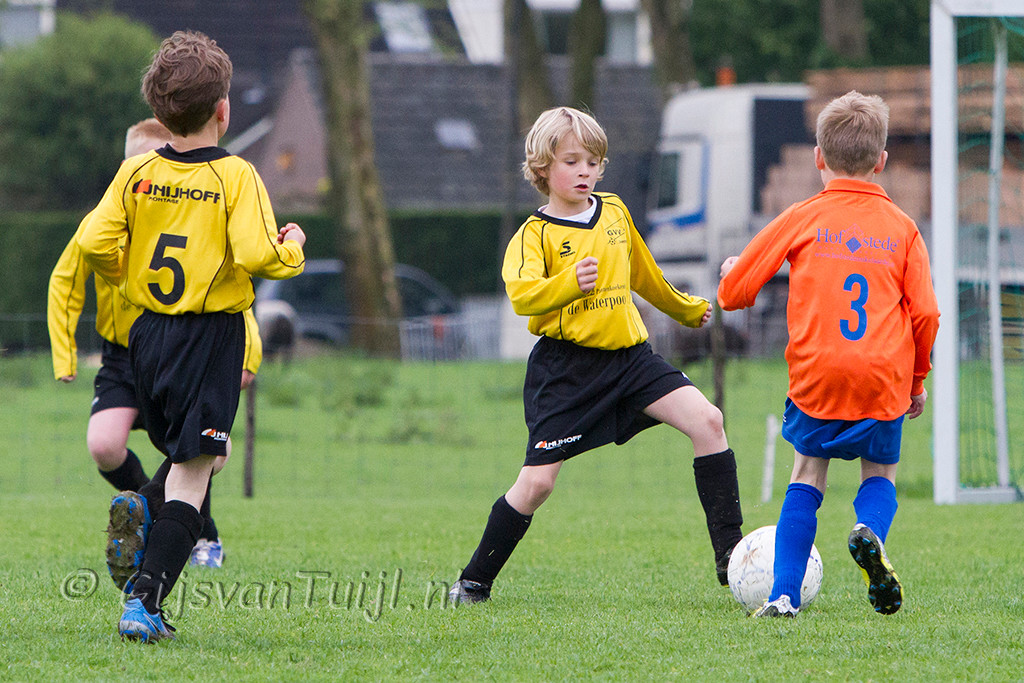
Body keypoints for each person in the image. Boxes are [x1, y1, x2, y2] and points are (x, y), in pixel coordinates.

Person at [448, 107, 744, 605]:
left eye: (593, 161)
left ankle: (732, 557)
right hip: (567, 372)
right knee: (537, 485)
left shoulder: (614, 212)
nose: (584, 171)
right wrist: (569, 282)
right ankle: (474, 581)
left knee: (708, 421)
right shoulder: (533, 235)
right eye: (572, 162)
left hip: (631, 361)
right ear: (543, 168)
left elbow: (643, 273)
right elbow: (523, 296)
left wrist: (685, 309)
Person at [78, 30, 306, 642]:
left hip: (146, 335)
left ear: (159, 110)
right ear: (223, 110)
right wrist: (293, 248)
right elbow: (257, 254)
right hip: (208, 337)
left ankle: (143, 507)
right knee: (196, 469)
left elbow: (94, 241)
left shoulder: (136, 172)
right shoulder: (236, 175)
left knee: (192, 460)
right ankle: (144, 602)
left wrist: (126, 275)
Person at [718, 91, 940, 618]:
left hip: (818, 375)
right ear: (881, 161)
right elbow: (927, 314)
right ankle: (870, 532)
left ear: (819, 156)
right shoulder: (903, 229)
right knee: (879, 474)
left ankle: (783, 596)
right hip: (881, 376)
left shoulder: (803, 216)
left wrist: (731, 273)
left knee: (806, 476)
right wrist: (915, 381)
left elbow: (734, 294)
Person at [47, 118, 262, 573]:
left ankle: (184, 528)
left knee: (203, 453)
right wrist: (64, 354)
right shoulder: (108, 219)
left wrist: (249, 355)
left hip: (186, 347)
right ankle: (155, 516)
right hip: (125, 355)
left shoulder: (199, 213)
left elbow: (230, 292)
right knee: (106, 445)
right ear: (126, 168)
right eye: (140, 165)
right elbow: (66, 279)